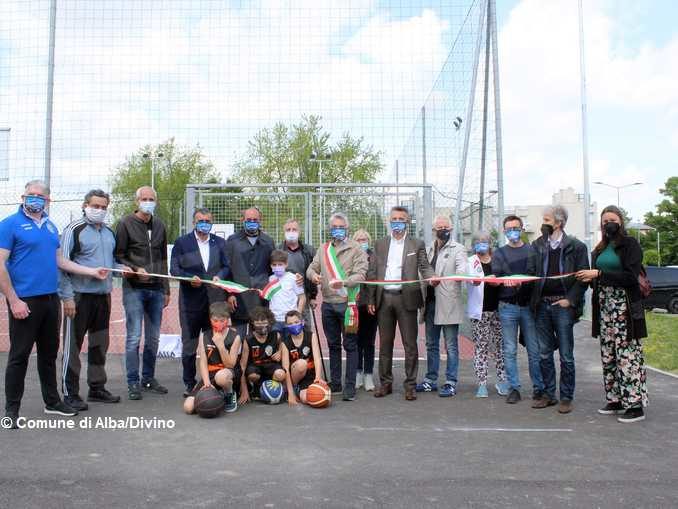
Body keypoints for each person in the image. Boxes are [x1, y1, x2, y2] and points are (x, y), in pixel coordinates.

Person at [1, 180, 108, 428]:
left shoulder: (50, 227)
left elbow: (60, 261)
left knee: (49, 355)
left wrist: (92, 271)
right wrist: (13, 299)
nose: (35, 199)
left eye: (41, 196)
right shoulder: (9, 225)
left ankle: (52, 402)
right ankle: (11, 411)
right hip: (25, 301)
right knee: (19, 356)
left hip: (51, 300)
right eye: (31, 195)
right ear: (23, 197)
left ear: (48, 201)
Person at [575, 205, 648, 423]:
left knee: (628, 356)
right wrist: (590, 279)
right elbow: (597, 279)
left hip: (625, 308)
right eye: (605, 220)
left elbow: (630, 277)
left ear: (621, 222)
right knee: (609, 355)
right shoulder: (598, 249)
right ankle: (615, 399)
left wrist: (599, 273)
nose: (609, 223)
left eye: (613, 219)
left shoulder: (631, 245)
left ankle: (634, 405)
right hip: (604, 308)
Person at [59, 189, 129, 411]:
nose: (99, 210)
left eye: (103, 207)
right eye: (95, 206)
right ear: (85, 205)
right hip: (79, 298)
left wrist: (122, 269)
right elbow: (61, 265)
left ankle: (97, 388)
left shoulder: (109, 233)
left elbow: (109, 265)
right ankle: (70, 393)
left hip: (102, 298)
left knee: (99, 345)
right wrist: (67, 297)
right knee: (73, 346)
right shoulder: (73, 230)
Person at [368, 206, 436, 401]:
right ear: (389, 221)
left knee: (410, 344)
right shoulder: (380, 244)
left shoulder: (417, 244)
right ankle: (386, 383)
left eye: (401, 219)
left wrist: (431, 278)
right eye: (394, 218)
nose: (397, 221)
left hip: (407, 298)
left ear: (408, 222)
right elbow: (372, 272)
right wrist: (372, 298)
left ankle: (410, 385)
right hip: (384, 298)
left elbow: (424, 266)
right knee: (385, 344)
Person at [530, 206, 589, 414]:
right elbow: (530, 273)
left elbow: (582, 279)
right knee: (544, 353)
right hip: (542, 305)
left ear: (559, 222)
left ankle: (566, 397)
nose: (543, 223)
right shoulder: (537, 245)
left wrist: (570, 300)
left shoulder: (576, 246)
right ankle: (548, 394)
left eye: (547, 219)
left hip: (563, 306)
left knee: (566, 354)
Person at [114, 186, 171, 401]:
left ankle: (148, 378)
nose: (148, 202)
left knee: (153, 339)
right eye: (144, 198)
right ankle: (133, 381)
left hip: (156, 289)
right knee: (134, 337)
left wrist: (166, 289)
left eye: (151, 199)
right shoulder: (125, 223)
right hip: (134, 290)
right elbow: (118, 256)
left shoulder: (160, 226)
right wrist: (135, 270)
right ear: (137, 201)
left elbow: (163, 259)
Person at [170, 207, 231, 397]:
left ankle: (213, 381)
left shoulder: (220, 242)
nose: (204, 223)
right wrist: (189, 278)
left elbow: (227, 267)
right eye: (200, 220)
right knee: (189, 345)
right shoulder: (182, 243)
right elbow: (174, 269)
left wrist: (219, 276)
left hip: (214, 302)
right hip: (190, 304)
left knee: (214, 342)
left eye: (207, 220)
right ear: (194, 222)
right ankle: (189, 383)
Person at [307, 212, 367, 401]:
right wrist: (313, 276)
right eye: (335, 227)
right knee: (332, 345)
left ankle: (350, 386)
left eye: (341, 227)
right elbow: (311, 268)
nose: (338, 230)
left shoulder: (356, 248)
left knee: (350, 345)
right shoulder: (323, 249)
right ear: (330, 228)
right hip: (328, 305)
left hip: (347, 304)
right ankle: (335, 382)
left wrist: (345, 282)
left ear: (347, 229)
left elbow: (361, 274)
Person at [492, 215, 543, 404]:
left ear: (521, 229)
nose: (512, 231)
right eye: (508, 228)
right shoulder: (499, 253)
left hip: (528, 307)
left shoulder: (532, 251)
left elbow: (535, 275)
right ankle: (514, 388)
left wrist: (522, 282)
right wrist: (504, 280)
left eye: (515, 227)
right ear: (504, 231)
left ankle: (538, 388)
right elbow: (496, 277)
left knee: (534, 349)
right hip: (507, 307)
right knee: (510, 349)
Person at [415, 215, 466, 397]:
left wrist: (460, 274)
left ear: (451, 229)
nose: (443, 229)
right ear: (434, 229)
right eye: (440, 227)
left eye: (446, 227)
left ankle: (451, 382)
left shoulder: (458, 249)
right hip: (430, 302)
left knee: (451, 345)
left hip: (448, 302)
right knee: (431, 344)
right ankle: (430, 380)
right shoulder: (428, 249)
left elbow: (462, 270)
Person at [466, 230, 508, 398]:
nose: (481, 244)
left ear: (490, 243)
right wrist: (476, 280)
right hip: (480, 311)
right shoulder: (471, 261)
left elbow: (505, 278)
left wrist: (497, 282)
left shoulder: (498, 259)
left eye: (484, 241)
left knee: (500, 347)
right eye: (477, 241)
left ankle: (502, 380)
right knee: (481, 347)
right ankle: (482, 383)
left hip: (499, 310)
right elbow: (468, 279)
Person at [224, 207, 275, 339]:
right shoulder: (232, 241)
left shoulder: (268, 242)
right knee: (238, 339)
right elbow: (227, 269)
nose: (252, 222)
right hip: (238, 299)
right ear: (243, 220)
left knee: (259, 339)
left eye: (255, 220)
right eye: (248, 220)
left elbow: (272, 270)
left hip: (261, 299)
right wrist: (229, 294)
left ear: (260, 220)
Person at [183, 302, 241, 415]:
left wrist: (221, 346)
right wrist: (207, 383)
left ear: (228, 319)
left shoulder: (235, 336)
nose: (218, 324)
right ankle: (217, 396)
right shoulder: (205, 335)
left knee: (221, 377)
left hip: (228, 373)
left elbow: (230, 364)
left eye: (222, 320)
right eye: (215, 320)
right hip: (210, 373)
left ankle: (229, 393)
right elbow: (203, 362)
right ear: (210, 319)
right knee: (188, 407)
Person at [238, 306, 286, 405]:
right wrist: (244, 390)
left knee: (281, 374)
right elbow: (242, 365)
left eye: (264, 322)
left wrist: (280, 352)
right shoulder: (248, 339)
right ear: (253, 323)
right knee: (253, 375)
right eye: (258, 323)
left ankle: (273, 386)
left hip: (270, 365)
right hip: (255, 367)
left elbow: (283, 344)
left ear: (270, 321)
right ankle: (253, 387)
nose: (261, 326)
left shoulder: (275, 335)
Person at [281, 310, 325, 406]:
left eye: (296, 322)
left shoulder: (311, 336)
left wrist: (318, 377)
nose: (294, 325)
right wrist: (291, 393)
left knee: (308, 399)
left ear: (302, 322)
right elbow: (285, 369)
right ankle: (294, 388)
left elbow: (317, 358)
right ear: (286, 326)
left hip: (310, 374)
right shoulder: (285, 342)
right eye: (290, 324)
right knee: (301, 363)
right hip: (295, 375)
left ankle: (301, 391)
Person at [278, 218, 317, 322]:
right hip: (284, 298)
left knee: (305, 327)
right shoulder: (277, 250)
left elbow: (313, 273)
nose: (291, 232)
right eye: (288, 230)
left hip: (303, 298)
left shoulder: (309, 251)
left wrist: (313, 296)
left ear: (299, 232)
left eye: (294, 230)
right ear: (284, 232)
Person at [352, 229, 377, 392]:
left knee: (369, 341)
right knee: (355, 341)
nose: (362, 242)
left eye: (364, 239)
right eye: (359, 240)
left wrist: (371, 300)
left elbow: (375, 280)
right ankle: (357, 373)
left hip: (370, 305)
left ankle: (368, 374)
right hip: (353, 305)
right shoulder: (351, 256)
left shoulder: (374, 257)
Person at [267, 249, 306, 334]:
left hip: (290, 320)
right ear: (270, 265)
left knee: (290, 344)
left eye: (280, 264)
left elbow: (302, 297)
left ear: (286, 264)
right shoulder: (270, 279)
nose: (277, 267)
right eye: (274, 264)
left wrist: (297, 314)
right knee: (276, 345)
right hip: (275, 320)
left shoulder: (293, 278)